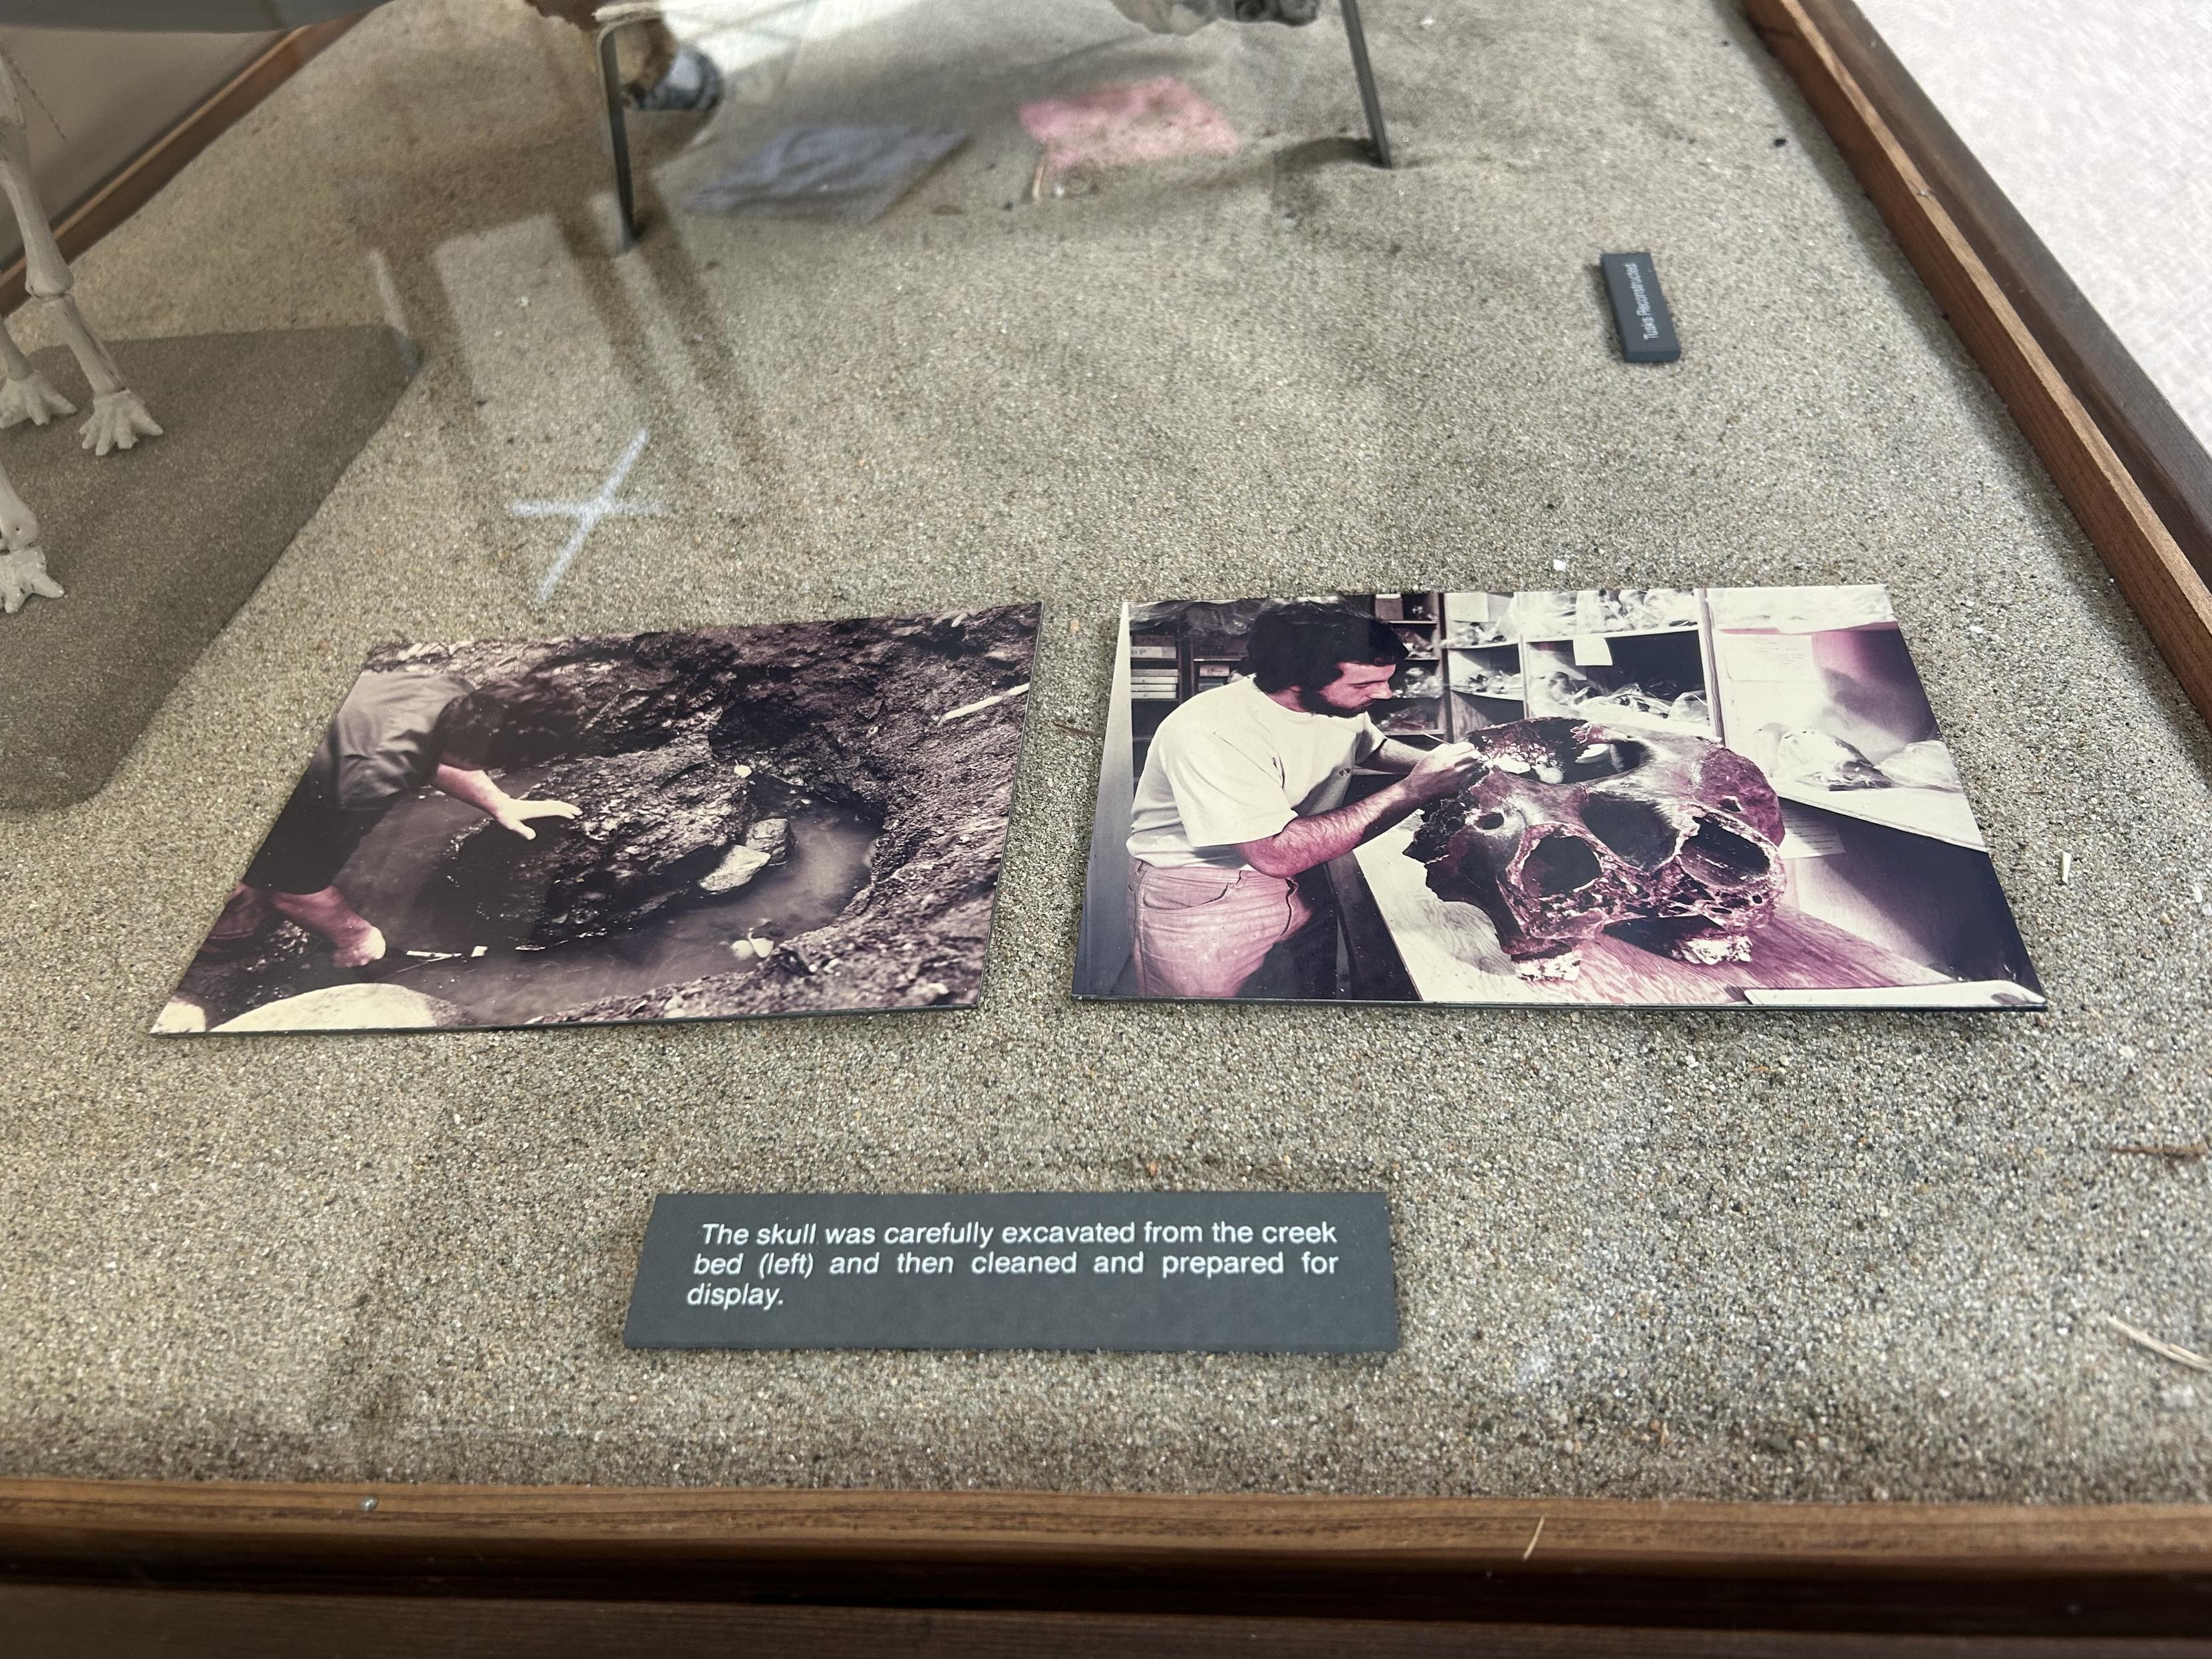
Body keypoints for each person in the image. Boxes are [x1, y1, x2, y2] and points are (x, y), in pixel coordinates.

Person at [1126, 601, 1483, 998]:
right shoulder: (1212, 730)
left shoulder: (1332, 705)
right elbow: (1274, 853)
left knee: (1300, 1004)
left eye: (1385, 679)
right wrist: (1414, 790)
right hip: (1210, 894)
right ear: (1298, 682)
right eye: (1365, 686)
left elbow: (1370, 747)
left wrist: (1442, 766)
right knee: (1199, 1023)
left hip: (1305, 874)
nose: (1384, 693)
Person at [212, 671, 584, 969]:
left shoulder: (449, 690)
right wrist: (355, 935)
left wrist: (502, 803)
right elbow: (294, 894)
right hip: (217, 796)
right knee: (239, 919)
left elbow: (438, 754)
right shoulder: (366, 781)